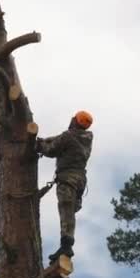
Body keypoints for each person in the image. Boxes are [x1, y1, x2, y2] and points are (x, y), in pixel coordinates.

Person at [36, 110, 94, 263]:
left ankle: (66, 245)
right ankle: (66, 244)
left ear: (75, 121)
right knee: (69, 211)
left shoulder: (68, 136)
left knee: (65, 210)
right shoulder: (87, 138)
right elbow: (59, 139)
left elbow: (51, 149)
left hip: (67, 178)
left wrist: (39, 146)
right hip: (80, 180)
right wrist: (44, 140)